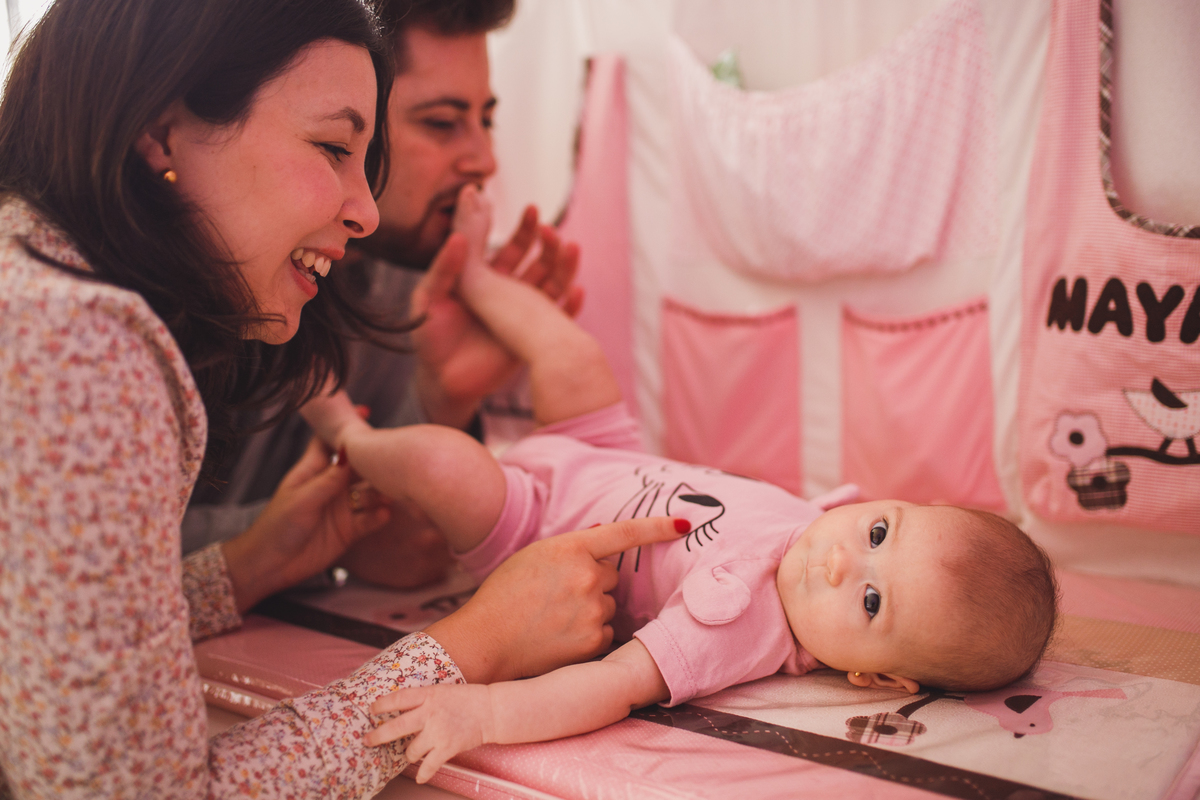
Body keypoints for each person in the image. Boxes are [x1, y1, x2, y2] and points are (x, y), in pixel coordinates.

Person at [0, 1, 681, 796]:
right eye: (331, 148)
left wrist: (250, 566)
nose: (364, 209)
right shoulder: (81, 337)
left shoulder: (40, 286)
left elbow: (48, 640)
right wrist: (475, 647)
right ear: (161, 133)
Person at [300, 186, 1061, 783]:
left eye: (869, 601)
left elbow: (613, 686)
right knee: (575, 358)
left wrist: (483, 713)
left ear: (872, 676)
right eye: (879, 533)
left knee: (447, 463)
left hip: (536, 529)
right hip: (604, 452)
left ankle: (351, 436)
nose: (840, 561)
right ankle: (474, 275)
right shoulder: (821, 520)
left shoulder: (742, 628)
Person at [180, 0, 578, 591]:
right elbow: (95, 564)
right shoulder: (121, 306)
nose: (484, 161)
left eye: (486, 120)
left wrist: (443, 397)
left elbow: (383, 514)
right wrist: (318, 548)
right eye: (441, 123)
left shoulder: (402, 288)